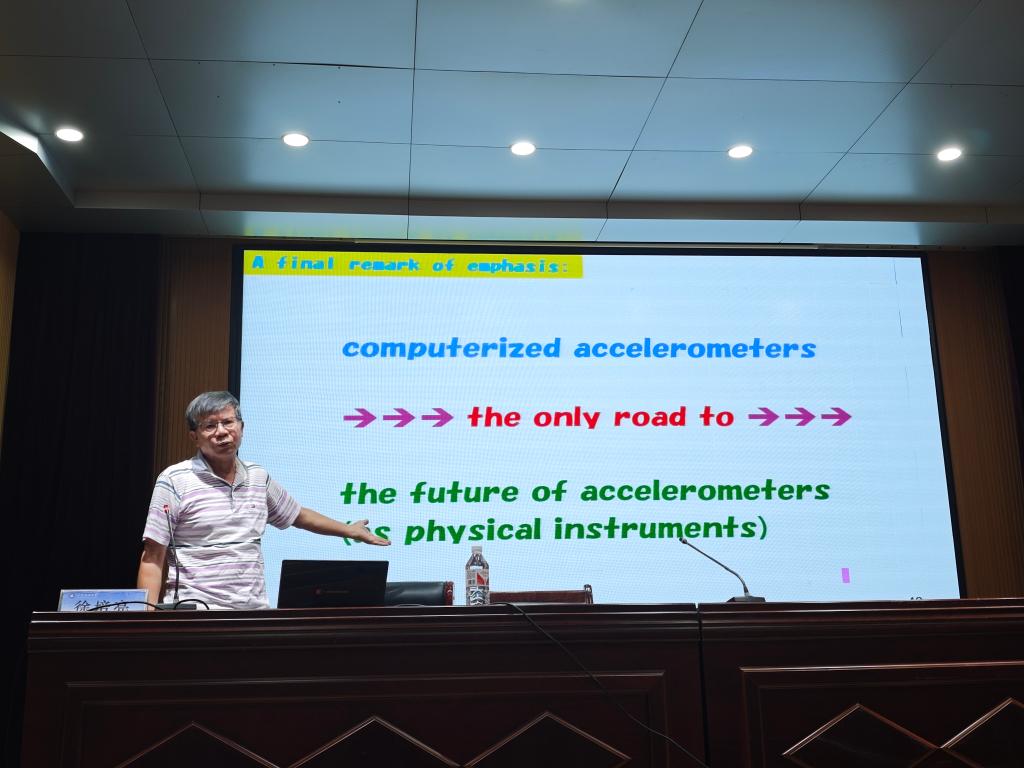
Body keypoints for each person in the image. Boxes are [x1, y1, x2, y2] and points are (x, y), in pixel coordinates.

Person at [137, 391, 390, 609]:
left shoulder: (257, 477)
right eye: (210, 426)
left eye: (228, 422)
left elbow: (298, 515)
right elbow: (152, 557)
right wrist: (145, 623)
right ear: (194, 436)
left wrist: (349, 530)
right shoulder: (174, 480)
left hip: (253, 614)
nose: (222, 432)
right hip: (196, 613)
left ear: (242, 428)